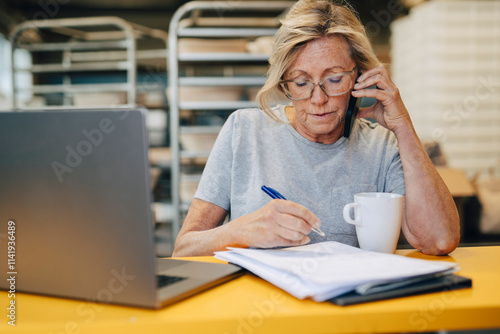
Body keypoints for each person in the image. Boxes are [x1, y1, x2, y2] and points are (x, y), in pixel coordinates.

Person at [172, 0, 460, 257]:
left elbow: (440, 240)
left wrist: (403, 127)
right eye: (301, 82)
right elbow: (184, 248)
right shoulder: (243, 130)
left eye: (334, 80)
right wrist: (239, 231)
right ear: (283, 83)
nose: (318, 99)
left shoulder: (383, 146)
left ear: (358, 77)